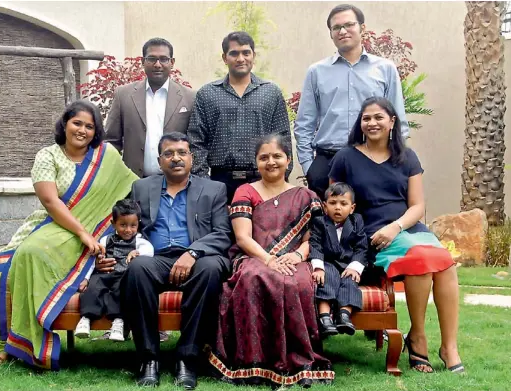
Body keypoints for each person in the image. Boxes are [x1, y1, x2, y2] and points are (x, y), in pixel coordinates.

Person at [0, 100, 138, 370]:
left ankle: (23, 342)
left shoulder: (107, 156)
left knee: (30, 256)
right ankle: (12, 344)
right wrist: (81, 232)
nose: (82, 130)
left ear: (96, 131)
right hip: (55, 226)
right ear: (65, 124)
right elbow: (51, 201)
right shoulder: (48, 155)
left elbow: (129, 185)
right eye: (76, 123)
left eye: (89, 126)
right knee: (12, 267)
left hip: (96, 235)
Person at [328, 96, 464, 374]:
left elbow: (418, 205)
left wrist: (397, 226)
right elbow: (335, 204)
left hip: (406, 228)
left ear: (392, 122)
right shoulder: (345, 158)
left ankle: (449, 346)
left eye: (379, 117)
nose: (372, 122)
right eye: (366, 118)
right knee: (421, 261)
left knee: (445, 264)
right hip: (370, 234)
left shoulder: (407, 157)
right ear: (360, 123)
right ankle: (418, 338)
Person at [97, 132, 231, 389]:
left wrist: (192, 253)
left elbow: (223, 233)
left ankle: (187, 359)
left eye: (182, 153)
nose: (176, 158)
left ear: (192, 158)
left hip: (198, 256)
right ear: (159, 161)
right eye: (168, 154)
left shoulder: (214, 189)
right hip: (155, 257)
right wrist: (117, 251)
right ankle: (148, 358)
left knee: (211, 268)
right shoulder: (142, 188)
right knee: (137, 268)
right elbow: (126, 226)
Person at [209, 134, 335, 387]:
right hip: (254, 257)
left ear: (288, 160)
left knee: (297, 282)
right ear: (256, 163)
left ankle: (300, 361)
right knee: (255, 278)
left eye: (277, 156)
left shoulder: (306, 196)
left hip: (294, 258)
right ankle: (253, 361)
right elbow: (243, 238)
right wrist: (269, 260)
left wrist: (298, 254)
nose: (271, 162)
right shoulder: (245, 191)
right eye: (264, 157)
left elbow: (314, 239)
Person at [294, 4, 409, 200]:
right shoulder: (317, 72)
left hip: (373, 158)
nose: (343, 31)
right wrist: (309, 167)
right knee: (328, 227)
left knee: (372, 222)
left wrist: (392, 160)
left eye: (349, 24)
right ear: (330, 33)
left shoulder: (385, 69)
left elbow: (398, 121)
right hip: (328, 161)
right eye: (336, 27)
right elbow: (304, 124)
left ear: (362, 28)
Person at [187, 31, 292, 203]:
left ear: (253, 55)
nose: (240, 58)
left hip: (263, 178)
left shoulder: (271, 93)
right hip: (220, 182)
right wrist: (203, 182)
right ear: (224, 57)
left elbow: (283, 139)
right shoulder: (207, 94)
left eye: (246, 53)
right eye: (234, 53)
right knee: (221, 230)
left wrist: (280, 179)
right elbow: (196, 140)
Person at [105, 37, 196, 178]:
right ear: (143, 62)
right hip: (133, 182)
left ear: (172, 63)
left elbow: (197, 143)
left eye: (164, 59)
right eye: (152, 59)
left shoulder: (190, 97)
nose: (157, 64)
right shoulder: (124, 95)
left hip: (178, 183)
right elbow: (111, 142)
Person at [74, 199, 154, 341]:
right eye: (123, 225)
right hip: (105, 274)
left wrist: (137, 254)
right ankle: (86, 318)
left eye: (133, 225)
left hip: (123, 276)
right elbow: (94, 261)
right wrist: (86, 278)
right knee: (93, 287)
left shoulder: (141, 242)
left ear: (138, 224)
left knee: (120, 291)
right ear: (113, 224)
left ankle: (118, 322)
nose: (128, 230)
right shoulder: (105, 240)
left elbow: (149, 252)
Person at [310, 182, 368, 338]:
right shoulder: (319, 222)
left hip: (348, 265)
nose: (337, 207)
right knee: (326, 279)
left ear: (352, 208)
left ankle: (344, 316)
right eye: (332, 203)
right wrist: (318, 267)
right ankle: (324, 318)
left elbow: (361, 247)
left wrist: (355, 267)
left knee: (350, 281)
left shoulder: (357, 221)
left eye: (343, 203)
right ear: (324, 205)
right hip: (327, 263)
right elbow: (315, 244)